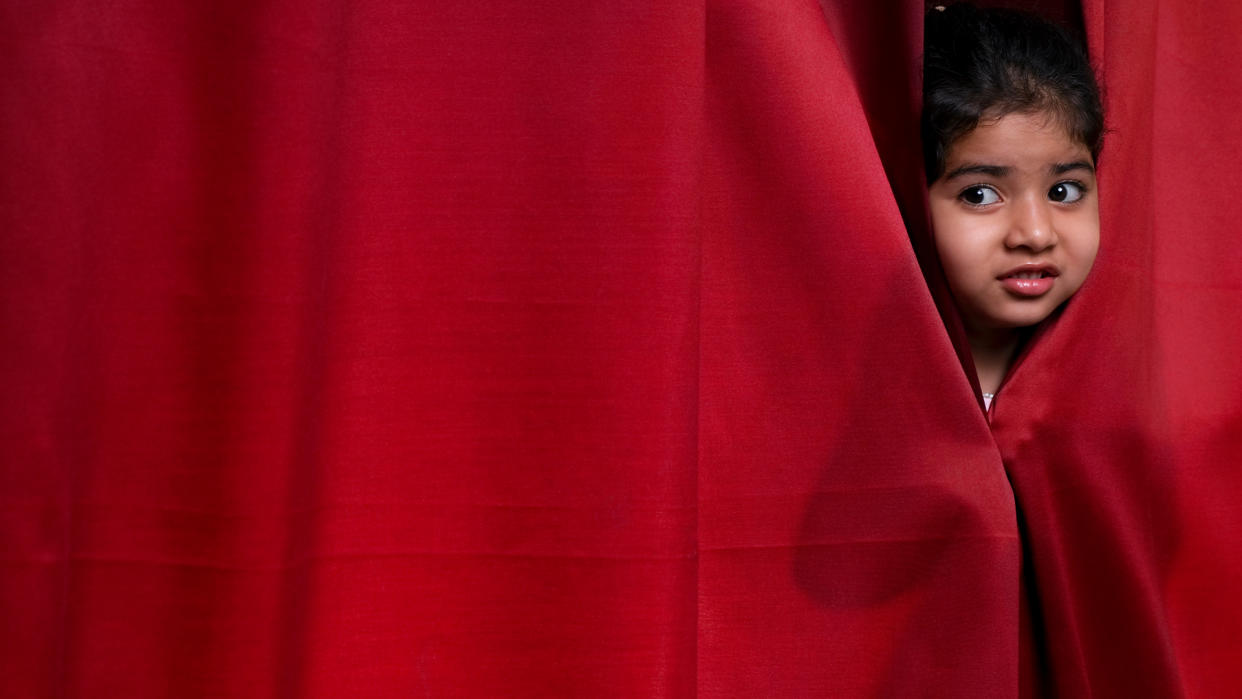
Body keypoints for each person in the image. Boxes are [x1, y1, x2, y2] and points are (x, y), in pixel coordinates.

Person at [922, 3, 1104, 411]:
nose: (1037, 235)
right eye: (979, 195)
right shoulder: (870, 378)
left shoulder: (1114, 369)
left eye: (1063, 192)